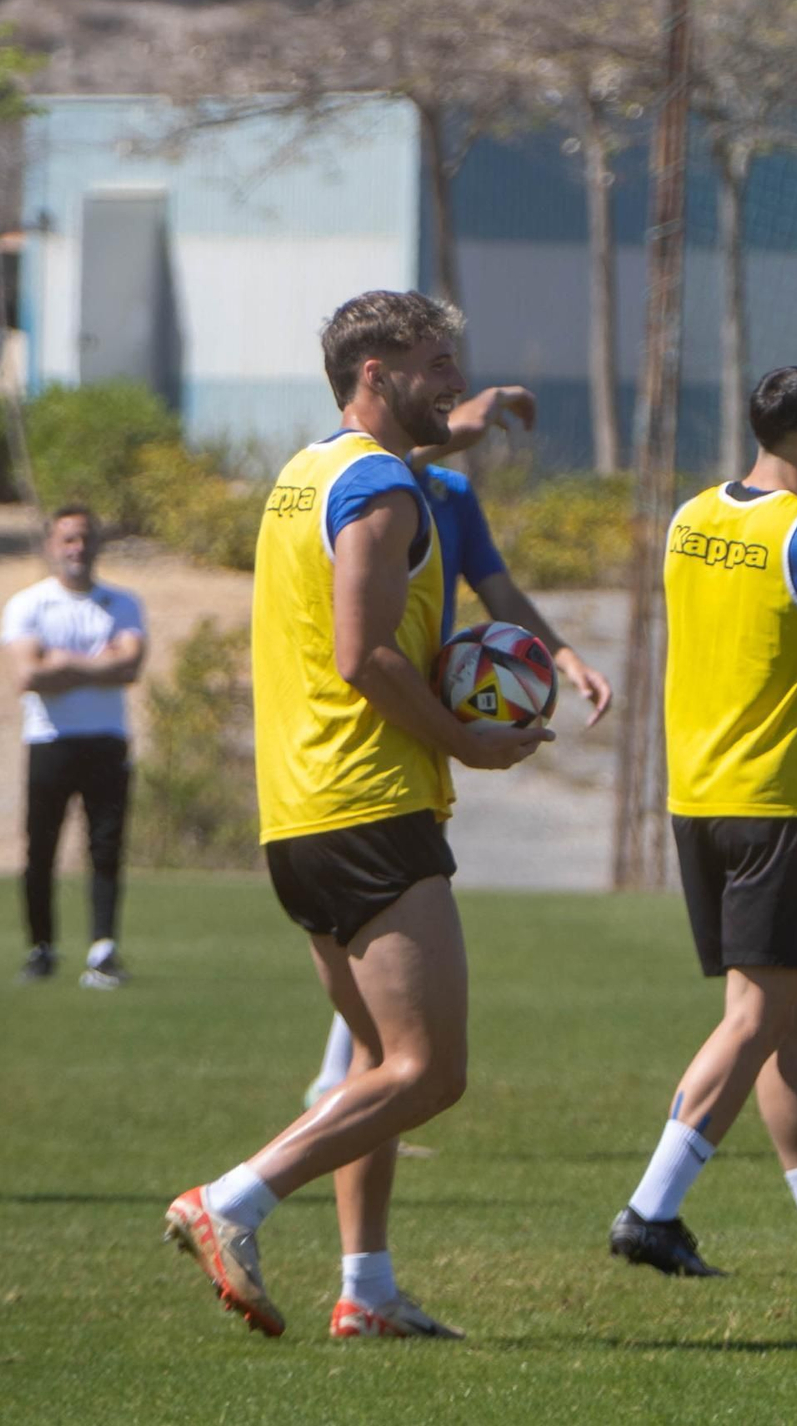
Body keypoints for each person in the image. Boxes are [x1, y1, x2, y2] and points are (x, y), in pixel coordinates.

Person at [163, 290, 552, 1339]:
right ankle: (231, 1200)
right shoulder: (383, 490)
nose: (452, 382)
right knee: (429, 1071)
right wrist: (467, 737)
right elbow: (365, 655)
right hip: (369, 804)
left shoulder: (307, 474)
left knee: (381, 1068)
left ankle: (367, 1291)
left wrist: (455, 431)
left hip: (298, 815)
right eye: (435, 364)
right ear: (374, 371)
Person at [608, 366, 797, 1276]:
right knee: (758, 1014)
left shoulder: (691, 517)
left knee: (786, 1024)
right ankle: (652, 1208)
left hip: (695, 798)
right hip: (774, 802)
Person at [302, 385, 612, 1106]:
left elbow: (500, 595)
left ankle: (348, 1083)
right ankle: (342, 1089)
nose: (454, 413)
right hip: (358, 741)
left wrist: (562, 657)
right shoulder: (355, 485)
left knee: (383, 941)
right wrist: (465, 420)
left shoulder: (448, 497)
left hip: (421, 735)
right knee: (408, 1008)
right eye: (441, 390)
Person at [1, 506, 145, 988]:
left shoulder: (121, 604)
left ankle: (103, 950)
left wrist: (62, 662)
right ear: (50, 546)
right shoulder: (29, 605)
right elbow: (29, 674)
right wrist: (94, 663)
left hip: (106, 741)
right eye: (67, 540)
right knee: (40, 848)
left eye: (84, 538)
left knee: (105, 848)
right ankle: (40, 947)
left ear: (97, 544)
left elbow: (129, 667)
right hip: (50, 741)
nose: (76, 549)